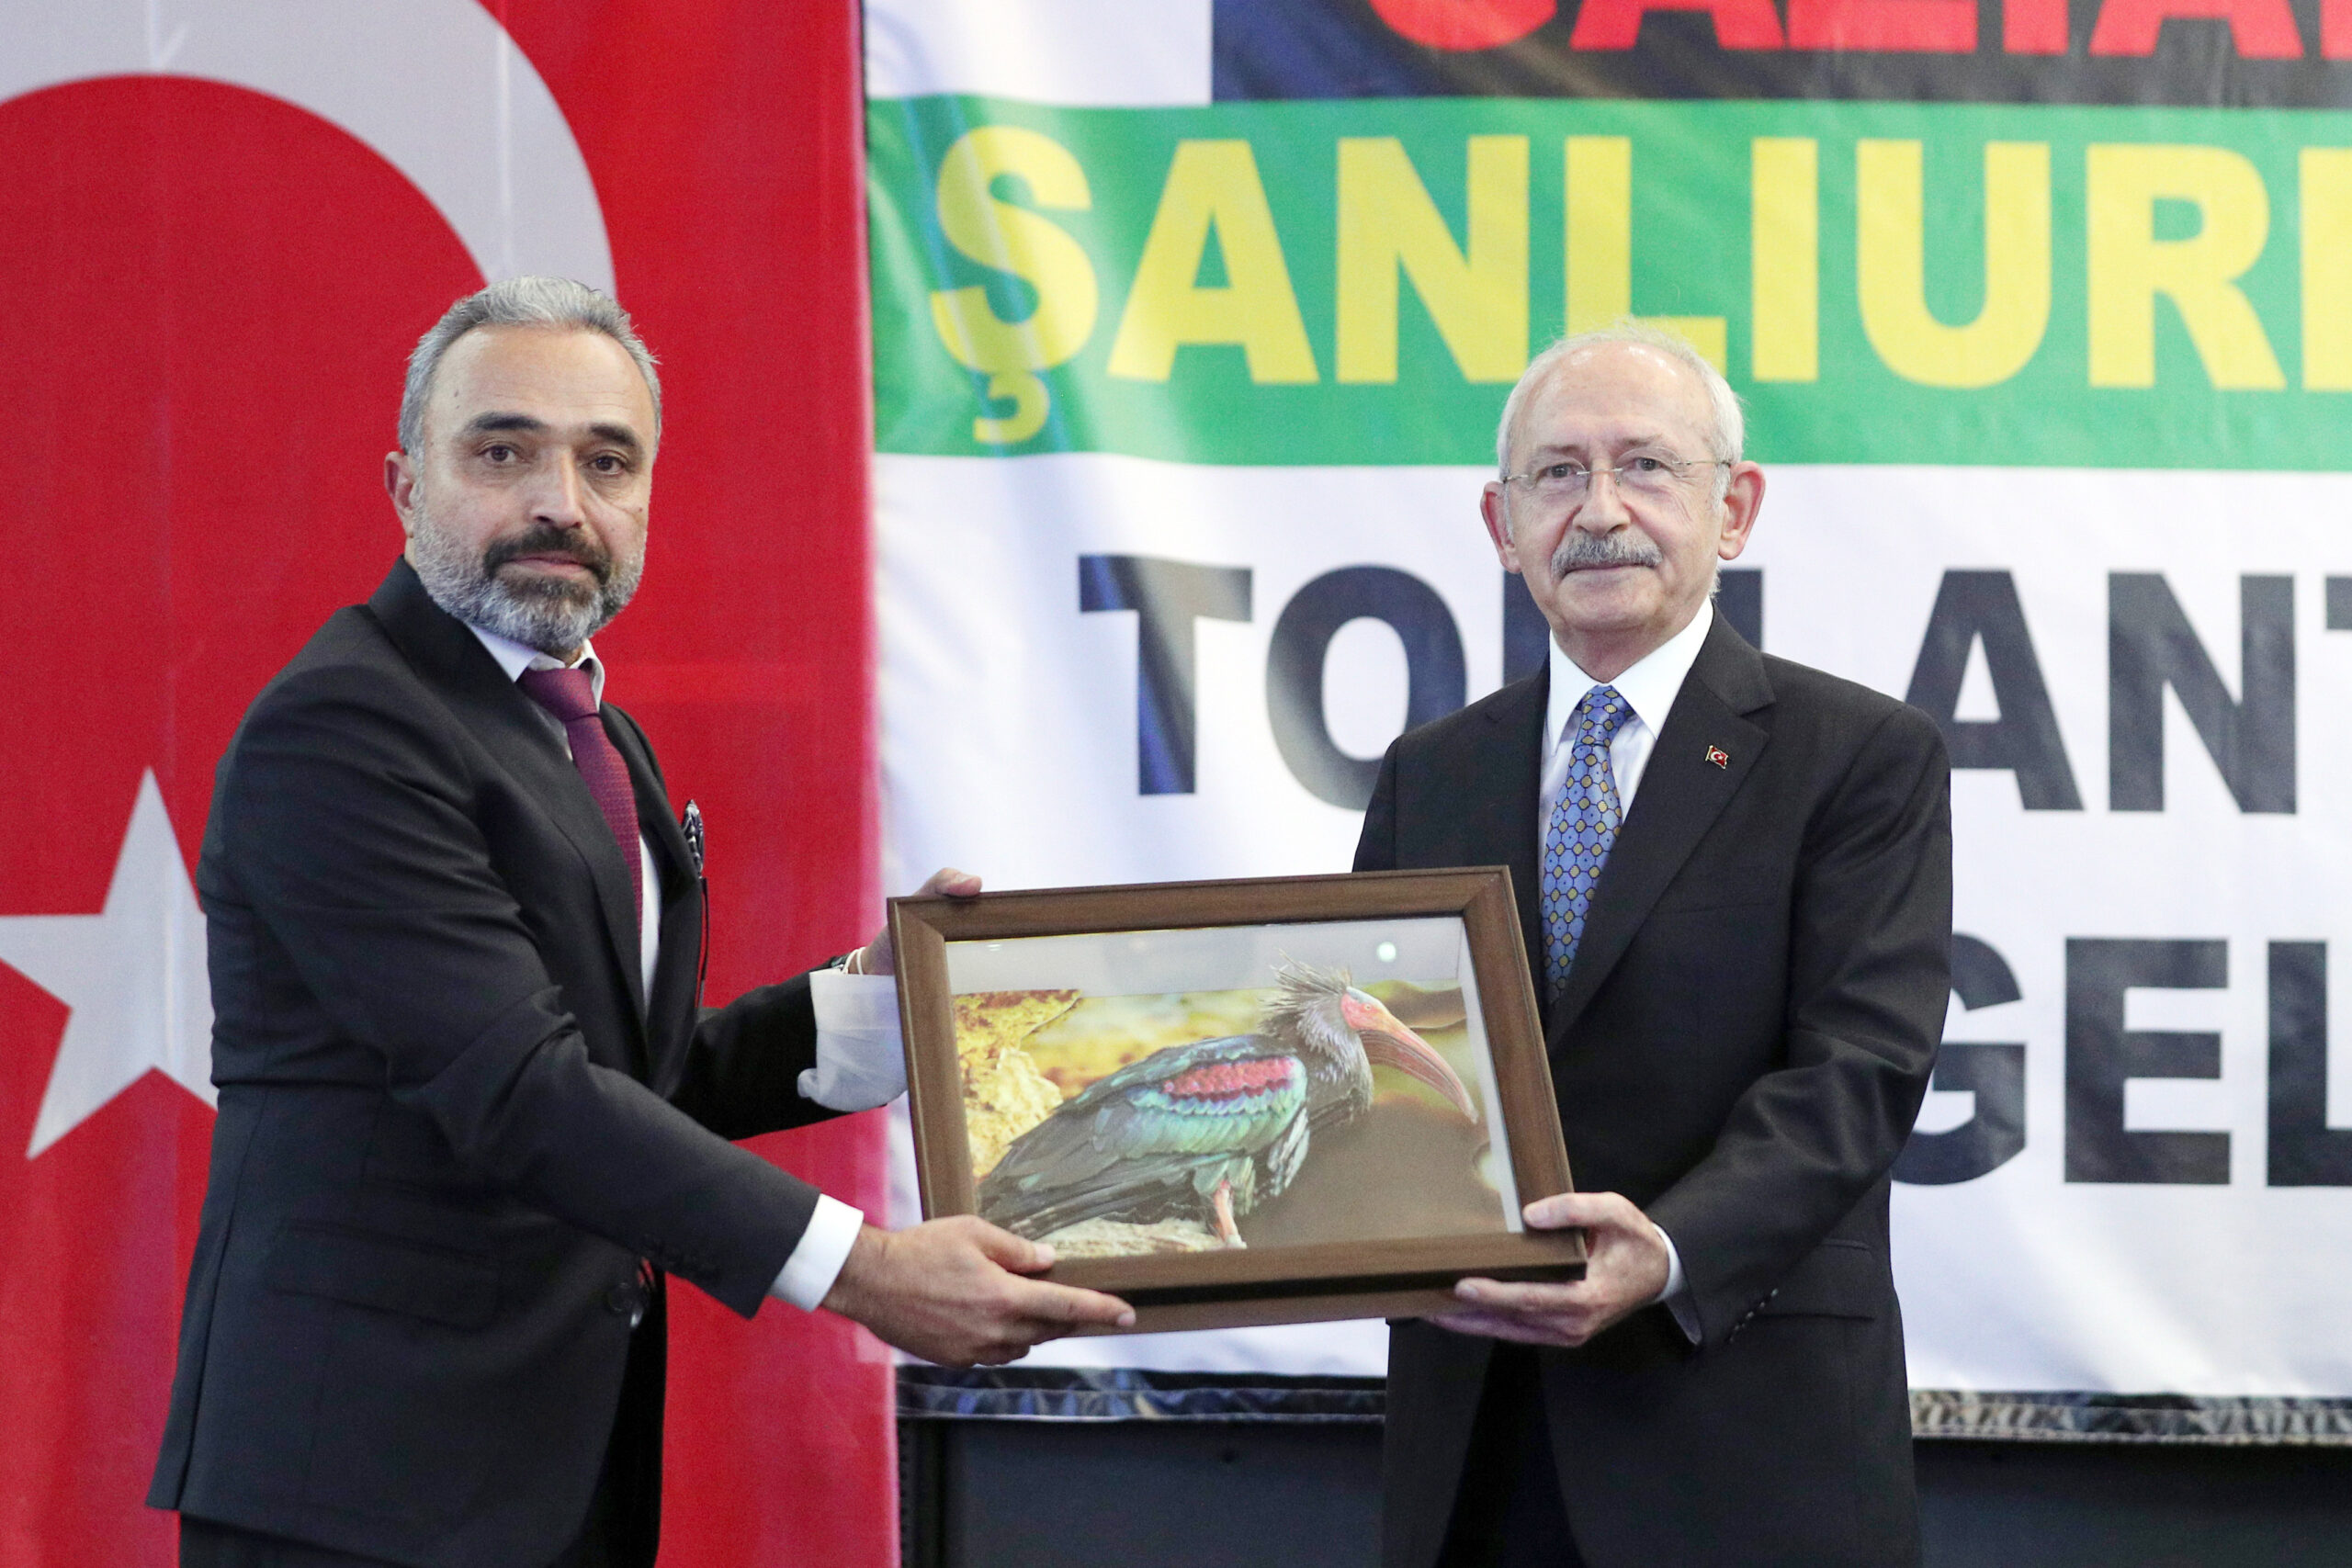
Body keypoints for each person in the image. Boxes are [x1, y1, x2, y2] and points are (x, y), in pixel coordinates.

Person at [147, 277, 1132, 1568]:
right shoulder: (347, 727)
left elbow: (628, 1082)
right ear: (405, 486)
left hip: (545, 1472)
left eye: (607, 461)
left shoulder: (591, 733)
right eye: (504, 452)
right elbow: (520, 1090)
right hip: (363, 1482)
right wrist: (866, 1270)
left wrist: (883, 1007)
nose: (562, 501)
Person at [1355, 324, 1950, 1567]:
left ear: (1734, 510)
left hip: (1740, 1432)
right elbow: (1374, 1059)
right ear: (1502, 523)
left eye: (1646, 466)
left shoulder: (1859, 758)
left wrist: (1668, 1251)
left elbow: (1861, 1074)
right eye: (1557, 474)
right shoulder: (1430, 774)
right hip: (1480, 1444)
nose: (1600, 511)